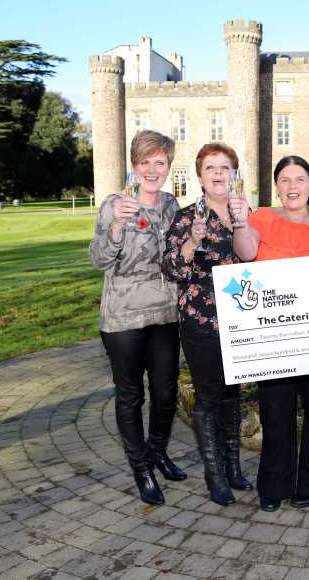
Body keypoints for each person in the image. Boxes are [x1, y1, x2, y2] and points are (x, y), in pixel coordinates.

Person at [230, 156, 309, 513]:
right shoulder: (261, 217)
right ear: (276, 185)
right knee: (276, 412)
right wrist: (238, 221)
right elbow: (246, 253)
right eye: (285, 179)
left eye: (300, 179)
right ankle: (274, 485)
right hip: (274, 337)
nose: (293, 186)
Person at [89, 130, 186, 506]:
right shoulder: (115, 204)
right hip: (123, 317)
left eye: (159, 162)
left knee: (164, 393)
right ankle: (141, 467)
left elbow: (177, 257)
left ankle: (158, 451)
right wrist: (115, 227)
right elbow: (98, 260)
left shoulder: (171, 205)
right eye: (144, 162)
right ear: (134, 166)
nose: (152, 169)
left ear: (168, 166)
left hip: (164, 312)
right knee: (131, 395)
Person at [162, 143, 251, 506]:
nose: (218, 174)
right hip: (202, 320)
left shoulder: (244, 213)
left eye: (225, 167)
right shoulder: (186, 219)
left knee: (233, 395)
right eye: (211, 167)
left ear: (234, 174)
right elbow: (172, 268)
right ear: (200, 176)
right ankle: (215, 476)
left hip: (241, 320)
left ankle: (233, 468)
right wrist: (191, 242)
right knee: (209, 396)